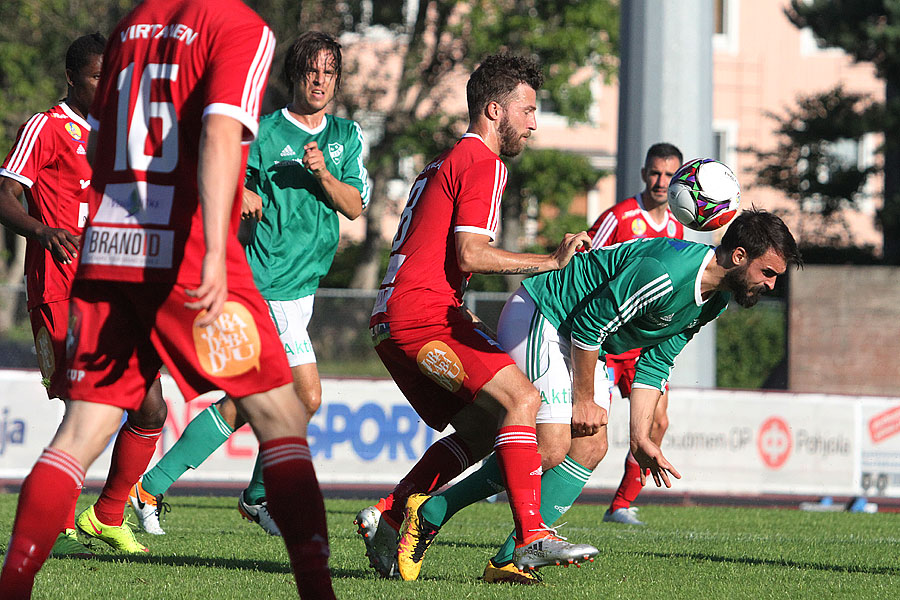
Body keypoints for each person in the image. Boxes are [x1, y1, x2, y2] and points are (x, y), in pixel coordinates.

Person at [0, 2, 335, 598]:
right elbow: (219, 136)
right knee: (284, 419)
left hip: (111, 249)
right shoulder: (240, 28)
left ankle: (16, 582)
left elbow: (105, 144)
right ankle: (318, 589)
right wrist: (211, 254)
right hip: (185, 249)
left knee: (79, 433)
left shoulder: (134, 23)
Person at [397, 208, 802, 583]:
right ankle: (432, 512)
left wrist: (640, 437)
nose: (771, 284)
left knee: (591, 447)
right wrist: (585, 398)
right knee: (552, 446)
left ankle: (506, 560)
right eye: (767, 272)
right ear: (738, 256)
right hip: (546, 313)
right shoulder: (666, 272)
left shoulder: (714, 301)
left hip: (582, 337)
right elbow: (589, 325)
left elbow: (656, 361)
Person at [356, 53, 597, 581]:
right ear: (494, 110)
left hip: (391, 317)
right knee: (523, 399)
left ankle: (392, 515)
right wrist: (550, 261)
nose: (534, 123)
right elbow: (470, 254)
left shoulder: (440, 163)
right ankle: (532, 534)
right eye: (528, 110)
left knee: (485, 425)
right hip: (424, 315)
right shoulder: (485, 163)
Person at [127, 30, 369, 538]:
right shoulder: (263, 131)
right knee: (302, 397)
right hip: (267, 283)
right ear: (295, 76)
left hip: (303, 288)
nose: (320, 80)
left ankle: (164, 486)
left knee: (253, 402)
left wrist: (323, 176)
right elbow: (222, 177)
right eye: (311, 70)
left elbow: (355, 207)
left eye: (329, 72)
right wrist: (242, 194)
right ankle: (246, 496)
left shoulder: (347, 136)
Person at [0, 33, 168, 557]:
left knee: (151, 407)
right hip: (59, 288)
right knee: (87, 404)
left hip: (115, 289)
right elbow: (5, 194)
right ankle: (55, 520)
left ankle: (108, 514)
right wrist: (40, 230)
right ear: (73, 77)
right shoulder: (46, 128)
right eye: (99, 76)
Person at [585, 142, 684, 525]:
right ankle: (509, 474)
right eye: (655, 173)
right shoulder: (620, 217)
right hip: (608, 340)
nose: (661, 182)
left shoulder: (678, 225)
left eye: (669, 175)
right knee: (586, 428)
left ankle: (622, 505)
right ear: (644, 174)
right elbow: (587, 260)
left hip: (646, 342)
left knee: (657, 423)